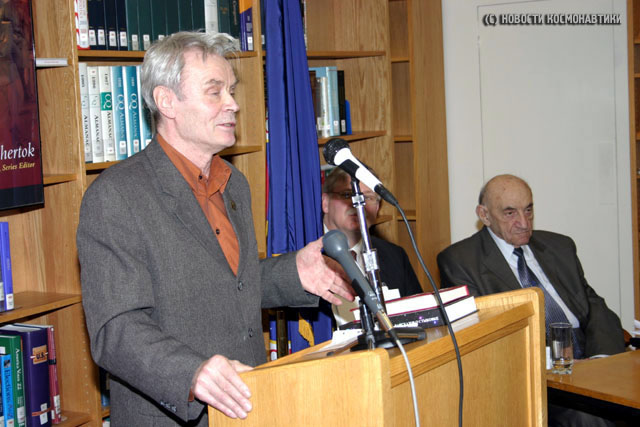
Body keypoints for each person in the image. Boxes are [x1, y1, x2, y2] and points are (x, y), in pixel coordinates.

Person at [77, 32, 354, 426]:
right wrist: (191, 373)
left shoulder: (234, 183)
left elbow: (224, 285)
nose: (233, 104)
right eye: (215, 91)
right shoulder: (116, 196)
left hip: (246, 407)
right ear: (166, 101)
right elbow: (116, 329)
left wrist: (293, 273)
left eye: (231, 90)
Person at [437, 174, 624, 426]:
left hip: (589, 358)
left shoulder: (560, 246)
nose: (524, 223)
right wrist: (555, 362)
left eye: (528, 210)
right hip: (533, 373)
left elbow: (595, 308)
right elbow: (486, 338)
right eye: (510, 213)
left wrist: (601, 360)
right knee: (590, 418)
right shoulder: (460, 260)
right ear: (484, 215)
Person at [321, 167, 423, 324]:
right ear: (325, 203)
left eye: (367, 197)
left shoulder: (395, 255)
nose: (357, 204)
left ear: (377, 208)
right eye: (347, 195)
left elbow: (421, 318)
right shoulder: (307, 258)